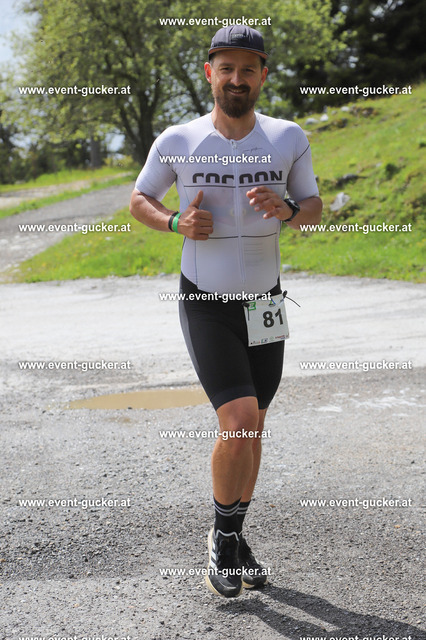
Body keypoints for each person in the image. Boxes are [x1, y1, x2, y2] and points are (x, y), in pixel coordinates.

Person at [130, 25, 322, 598]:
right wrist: (174, 221)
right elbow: (139, 199)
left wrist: (289, 210)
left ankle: (234, 538)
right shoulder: (179, 139)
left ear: (262, 75)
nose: (237, 79)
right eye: (227, 68)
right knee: (237, 419)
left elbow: (313, 206)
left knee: (254, 424)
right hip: (206, 300)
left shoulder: (287, 137)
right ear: (209, 72)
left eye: (248, 69)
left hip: (265, 301)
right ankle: (222, 537)